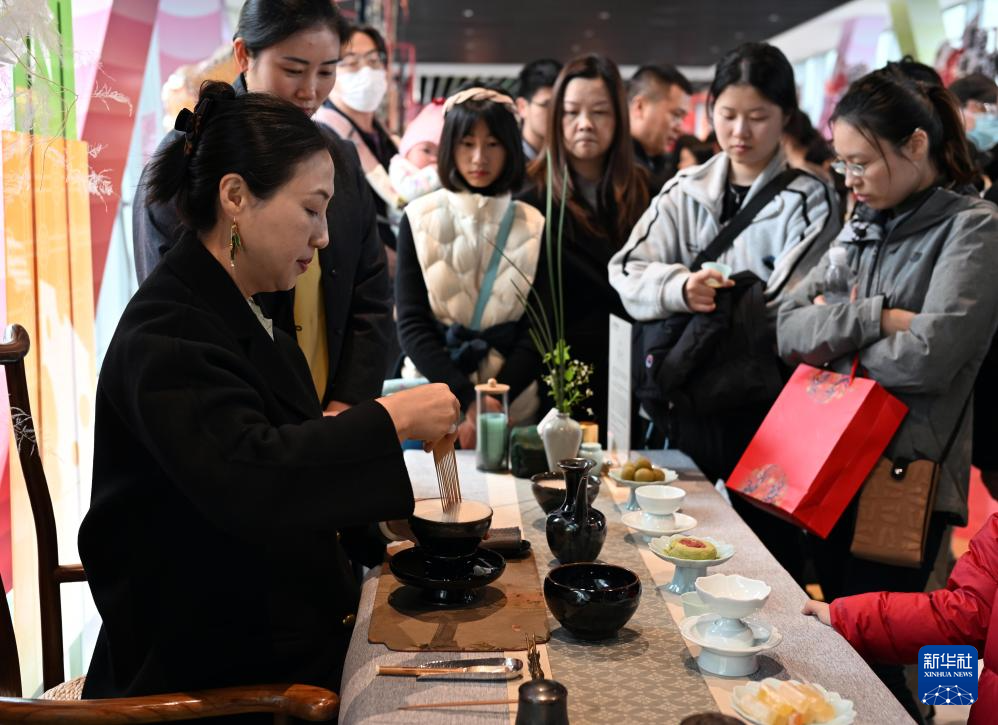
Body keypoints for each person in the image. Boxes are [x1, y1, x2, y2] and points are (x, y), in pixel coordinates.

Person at [80, 82, 460, 713]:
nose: (324, 237)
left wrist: (388, 537)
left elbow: (290, 451)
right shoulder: (169, 333)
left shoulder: (242, 308)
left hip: (269, 622)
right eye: (311, 210)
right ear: (235, 196)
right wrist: (388, 419)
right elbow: (253, 478)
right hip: (208, 668)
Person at [778, 64, 998, 721]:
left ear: (915, 145)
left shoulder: (973, 228)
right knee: (845, 635)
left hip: (909, 472)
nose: (850, 179)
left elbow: (930, 358)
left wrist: (838, 340)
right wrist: (878, 317)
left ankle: (933, 716)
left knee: (930, 636)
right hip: (831, 463)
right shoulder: (863, 222)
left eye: (862, 163)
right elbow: (788, 326)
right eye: (842, 163)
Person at [609, 42, 838, 581]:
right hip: (682, 403)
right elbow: (626, 270)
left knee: (770, 555)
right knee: (667, 537)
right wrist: (680, 287)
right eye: (727, 114)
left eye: (758, 117)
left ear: (785, 115)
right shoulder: (684, 190)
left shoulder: (810, 198)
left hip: (761, 408)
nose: (740, 131)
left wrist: (710, 304)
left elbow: (787, 305)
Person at [133, 0, 392, 412]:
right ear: (243, 54)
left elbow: (370, 296)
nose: (310, 90)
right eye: (293, 70)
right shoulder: (193, 158)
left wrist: (344, 411)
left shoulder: (338, 158)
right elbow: (181, 315)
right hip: (235, 415)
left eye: (327, 71)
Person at [396, 87, 544, 449]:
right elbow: (411, 323)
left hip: (512, 408)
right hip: (428, 401)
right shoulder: (417, 217)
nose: (479, 157)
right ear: (450, 146)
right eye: (467, 143)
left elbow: (540, 330)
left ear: (510, 148)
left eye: (493, 144)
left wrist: (493, 403)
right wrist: (467, 400)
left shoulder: (535, 224)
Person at [518, 54, 650, 442]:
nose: (585, 123)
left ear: (619, 119)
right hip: (559, 381)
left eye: (600, 112)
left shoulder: (649, 193)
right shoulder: (530, 199)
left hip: (633, 372)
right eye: (571, 111)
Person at [802, 513, 998, 725]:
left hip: (903, 521)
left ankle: (927, 709)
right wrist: (851, 617)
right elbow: (968, 615)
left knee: (893, 674)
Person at [316, 24, 401, 255]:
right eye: (351, 62)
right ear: (327, 72)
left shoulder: (384, 136)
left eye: (374, 61)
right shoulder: (322, 138)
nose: (366, 72)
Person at [627, 63, 693, 192]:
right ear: (639, 107)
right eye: (676, 115)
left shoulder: (656, 164)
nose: (680, 128)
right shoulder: (614, 169)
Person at [389, 99, 445, 205]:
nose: (434, 158)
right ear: (407, 150)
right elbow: (409, 192)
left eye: (440, 154)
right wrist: (435, 172)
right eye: (426, 151)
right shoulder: (400, 167)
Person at [515, 58, 563, 162]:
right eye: (547, 105)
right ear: (522, 107)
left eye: (561, 105)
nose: (555, 112)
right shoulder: (507, 159)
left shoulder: (568, 159)